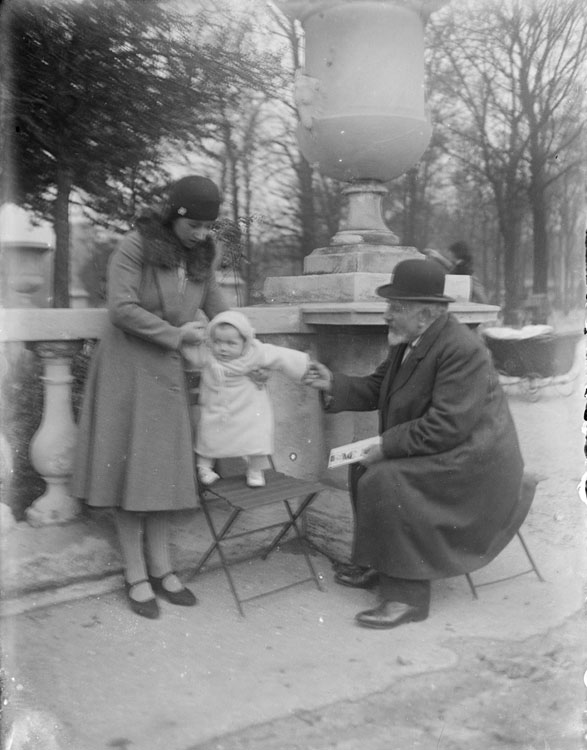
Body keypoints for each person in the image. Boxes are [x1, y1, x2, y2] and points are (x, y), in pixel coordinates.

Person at [303, 259, 529, 630]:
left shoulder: (463, 350)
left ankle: (407, 597)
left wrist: (387, 445)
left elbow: (447, 425)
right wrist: (334, 383)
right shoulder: (411, 340)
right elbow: (378, 388)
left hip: (475, 464)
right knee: (363, 465)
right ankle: (380, 564)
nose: (387, 315)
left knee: (384, 478)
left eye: (395, 308)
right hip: (451, 448)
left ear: (424, 314)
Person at [73, 175, 230, 619]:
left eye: (207, 227)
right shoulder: (136, 245)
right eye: (194, 225)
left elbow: (219, 308)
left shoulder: (205, 252)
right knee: (130, 474)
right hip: (126, 368)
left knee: (160, 472)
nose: (201, 234)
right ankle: (136, 574)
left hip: (166, 373)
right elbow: (121, 309)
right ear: (175, 216)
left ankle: (163, 569)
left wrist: (245, 342)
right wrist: (176, 336)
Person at [182, 310, 310, 488]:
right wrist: (182, 339)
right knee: (208, 435)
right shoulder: (209, 356)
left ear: (245, 343)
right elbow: (190, 351)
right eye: (218, 342)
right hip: (218, 409)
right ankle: (204, 468)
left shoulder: (255, 354)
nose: (223, 348)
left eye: (230, 343)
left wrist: (305, 366)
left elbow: (281, 356)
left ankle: (255, 470)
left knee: (257, 437)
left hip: (248, 409)